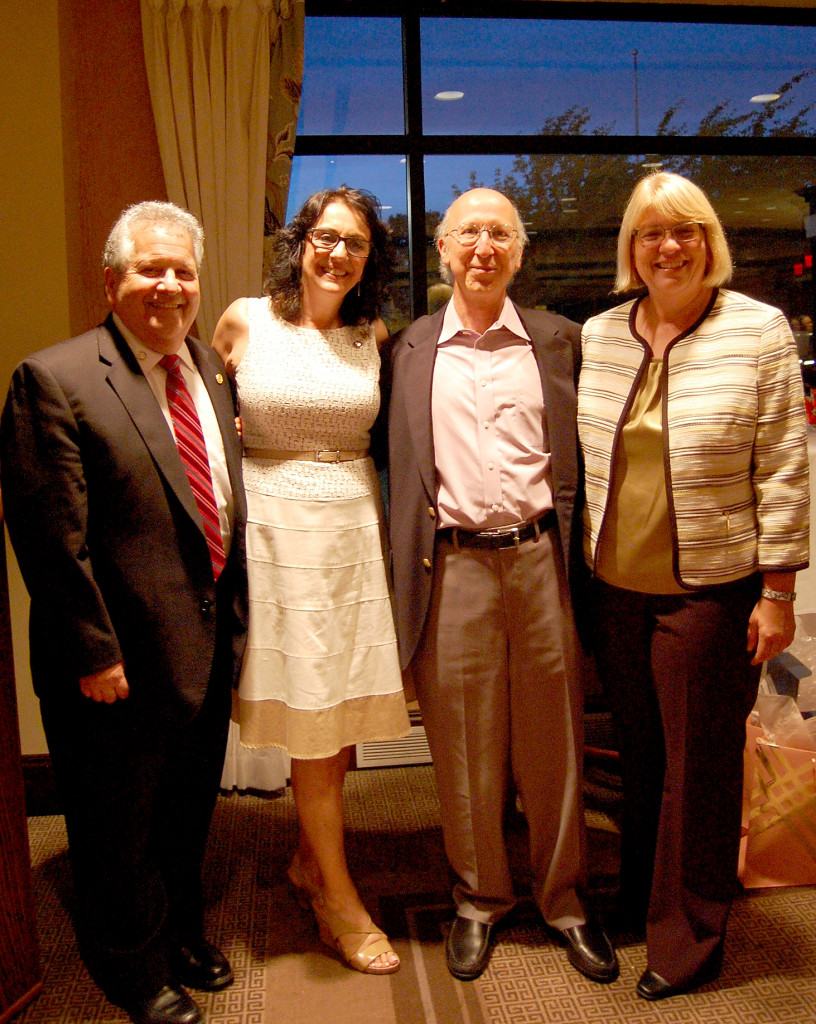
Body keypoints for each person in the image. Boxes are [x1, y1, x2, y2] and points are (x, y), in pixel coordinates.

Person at [0, 202, 248, 1024]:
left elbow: (213, 501)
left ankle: (179, 932)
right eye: (150, 268)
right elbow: (49, 540)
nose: (168, 285)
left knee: (185, 810)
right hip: (116, 661)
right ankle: (129, 967)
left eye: (183, 271)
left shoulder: (208, 368)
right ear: (111, 282)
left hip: (202, 645)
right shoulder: (56, 377)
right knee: (115, 827)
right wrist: (93, 654)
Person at [578, 171, 810, 1000]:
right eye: (651, 233)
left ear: (711, 242)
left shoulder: (759, 331)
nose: (669, 247)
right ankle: (644, 902)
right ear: (630, 249)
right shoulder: (602, 334)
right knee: (639, 761)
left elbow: (786, 464)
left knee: (697, 768)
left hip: (709, 591)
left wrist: (777, 592)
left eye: (686, 232)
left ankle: (690, 935)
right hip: (615, 590)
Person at [384, 187, 618, 984]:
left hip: (540, 559)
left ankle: (564, 900)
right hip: (450, 568)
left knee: (555, 740)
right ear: (443, 250)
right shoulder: (407, 351)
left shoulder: (562, 343)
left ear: (519, 252)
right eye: (467, 233)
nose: (483, 247)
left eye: (499, 234)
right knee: (463, 745)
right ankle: (480, 898)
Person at [212, 186, 409, 976]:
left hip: (353, 530)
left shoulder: (374, 333)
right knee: (311, 718)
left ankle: (307, 860)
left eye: (354, 243)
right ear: (301, 243)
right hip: (274, 529)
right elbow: (193, 400)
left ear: (370, 260)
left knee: (340, 716)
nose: (336, 254)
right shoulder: (244, 319)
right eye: (325, 237)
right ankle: (336, 895)